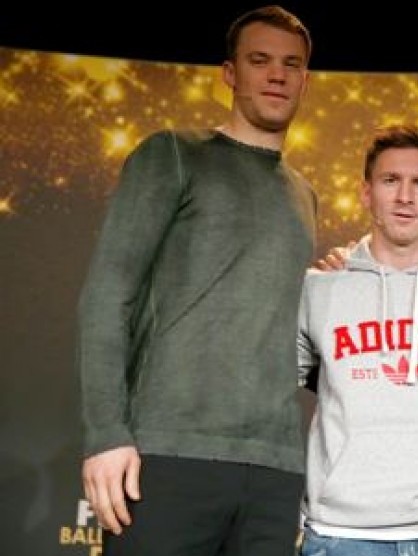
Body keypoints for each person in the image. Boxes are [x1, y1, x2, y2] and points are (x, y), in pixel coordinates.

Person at [77, 6, 315, 555]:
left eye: (291, 64)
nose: (277, 75)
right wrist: (106, 435)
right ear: (229, 73)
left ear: (304, 78)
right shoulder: (173, 154)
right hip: (168, 455)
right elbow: (107, 297)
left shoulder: (305, 193)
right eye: (260, 61)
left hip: (275, 469)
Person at [297, 124, 418, 556]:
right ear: (366, 193)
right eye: (390, 181)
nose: (405, 196)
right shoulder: (321, 287)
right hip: (341, 534)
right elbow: (269, 389)